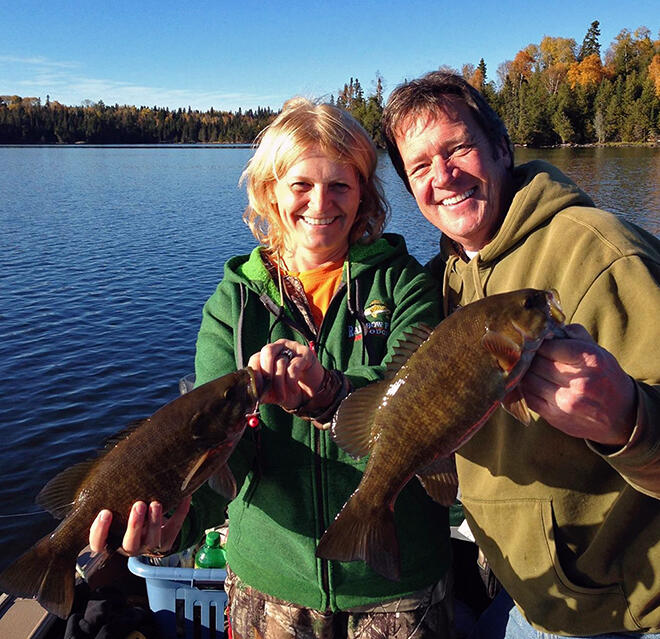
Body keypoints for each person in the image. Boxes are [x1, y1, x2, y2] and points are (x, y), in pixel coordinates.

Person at [90, 98, 454, 638]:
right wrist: (170, 529)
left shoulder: (404, 286)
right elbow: (206, 455)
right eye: (301, 185)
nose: (320, 204)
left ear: (364, 196)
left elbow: (419, 407)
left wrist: (330, 390)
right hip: (270, 585)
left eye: (341, 186)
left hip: (396, 587)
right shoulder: (233, 307)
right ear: (270, 191)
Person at [382, 70, 660, 638]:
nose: (445, 176)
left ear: (502, 149)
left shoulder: (604, 256)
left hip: (624, 614)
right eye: (420, 167)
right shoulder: (442, 282)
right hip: (528, 600)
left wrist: (630, 419)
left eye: (459, 148)